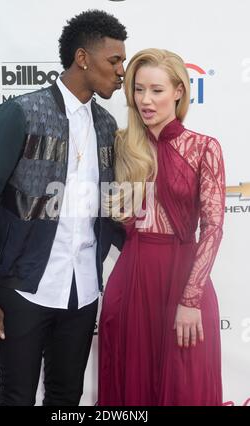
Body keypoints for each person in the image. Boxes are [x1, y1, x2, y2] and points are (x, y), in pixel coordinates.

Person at [0, 9, 126, 406]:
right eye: (114, 60)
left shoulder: (106, 126)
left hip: (82, 290)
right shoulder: (19, 113)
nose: (122, 71)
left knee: (67, 396)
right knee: (16, 397)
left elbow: (110, 210)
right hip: (22, 288)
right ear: (82, 58)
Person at [98, 48, 225, 406]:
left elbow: (213, 226)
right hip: (132, 275)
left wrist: (190, 299)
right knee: (129, 388)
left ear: (179, 91)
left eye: (156, 90)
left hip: (185, 279)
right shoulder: (122, 146)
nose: (145, 100)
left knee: (185, 386)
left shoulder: (203, 148)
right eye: (138, 90)